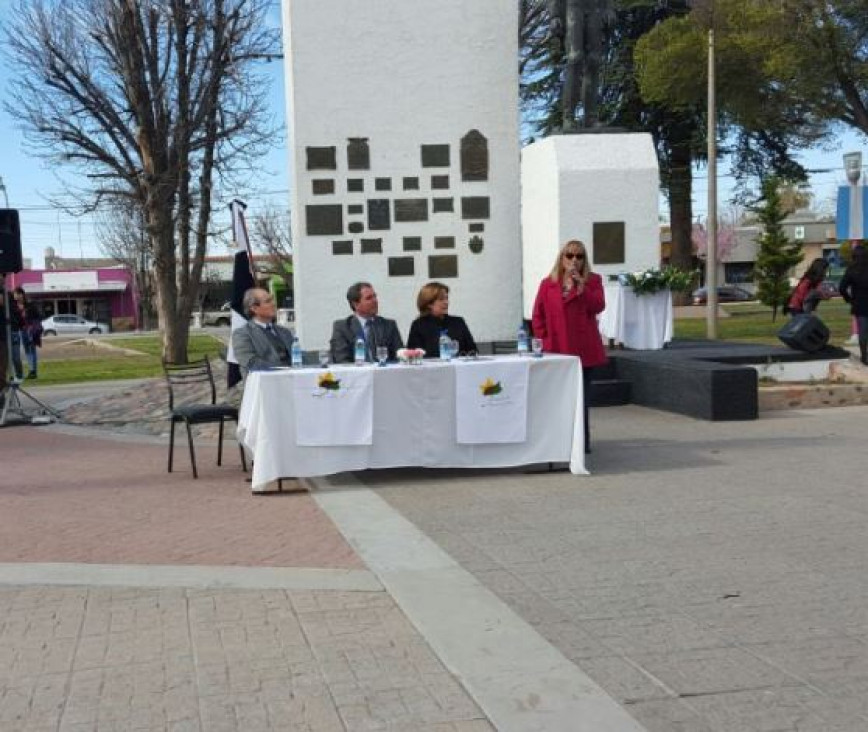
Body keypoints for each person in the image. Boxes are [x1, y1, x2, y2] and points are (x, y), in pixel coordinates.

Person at [532, 239, 607, 453]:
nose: (574, 260)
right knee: (556, 399)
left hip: (583, 349)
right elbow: (538, 315)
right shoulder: (548, 283)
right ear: (562, 258)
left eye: (579, 256)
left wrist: (581, 287)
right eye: (569, 255)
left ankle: (582, 443)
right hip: (556, 348)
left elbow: (598, 306)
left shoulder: (593, 280)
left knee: (580, 399)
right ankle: (558, 442)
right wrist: (544, 339)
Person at [330, 281, 403, 363]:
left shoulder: (389, 325)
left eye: (375, 296)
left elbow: (399, 357)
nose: (375, 301)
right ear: (356, 304)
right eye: (369, 298)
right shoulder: (342, 327)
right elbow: (342, 360)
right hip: (356, 374)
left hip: (385, 373)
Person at [231, 288, 296, 378]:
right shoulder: (242, 334)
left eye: (272, 299)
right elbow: (252, 363)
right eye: (268, 301)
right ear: (254, 308)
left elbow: (298, 356)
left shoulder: (284, 331)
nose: (273, 304)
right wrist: (285, 370)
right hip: (264, 386)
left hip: (292, 382)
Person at [407, 281, 477, 357]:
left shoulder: (458, 322)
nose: (446, 302)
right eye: (441, 299)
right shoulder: (418, 325)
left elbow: (473, 351)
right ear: (429, 303)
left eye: (447, 298)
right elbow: (414, 356)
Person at [839, 246, 868, 365]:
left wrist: (849, 299)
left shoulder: (851, 270)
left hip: (859, 305)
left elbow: (842, 288)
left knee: (863, 332)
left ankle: (864, 357)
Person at [13, 287, 42, 379]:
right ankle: (32, 370)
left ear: (22, 294)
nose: (17, 296)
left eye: (18, 294)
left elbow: (38, 316)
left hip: (31, 329)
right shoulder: (14, 306)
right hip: (21, 330)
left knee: (31, 350)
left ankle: (33, 370)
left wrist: (32, 324)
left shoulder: (30, 305)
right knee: (27, 350)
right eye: (15, 294)